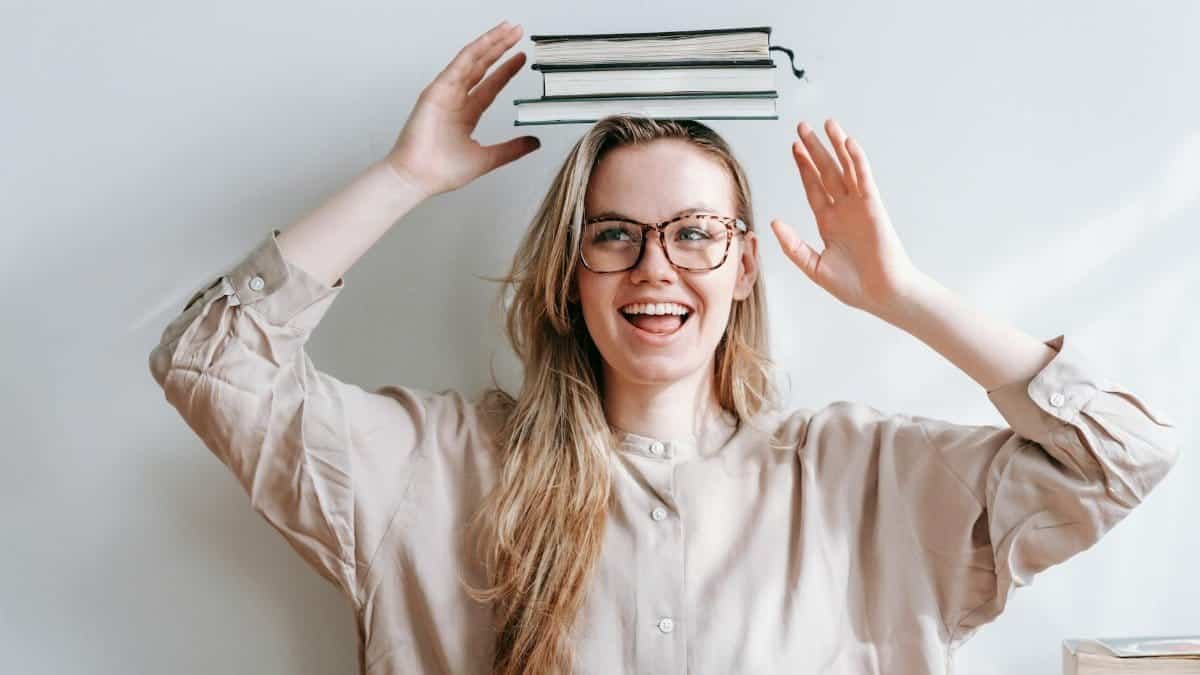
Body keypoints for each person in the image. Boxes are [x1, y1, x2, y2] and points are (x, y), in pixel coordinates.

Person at [148, 19, 1179, 675]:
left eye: (695, 234)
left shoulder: (859, 480)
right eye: (615, 235)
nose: (656, 269)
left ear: (743, 268)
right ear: (568, 270)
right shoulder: (433, 470)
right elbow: (209, 360)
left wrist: (904, 297)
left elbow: (1119, 458)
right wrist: (406, 176)